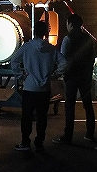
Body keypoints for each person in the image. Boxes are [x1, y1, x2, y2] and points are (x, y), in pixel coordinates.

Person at [10, 20, 65, 152]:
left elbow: (14, 60)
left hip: (29, 88)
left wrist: (20, 75)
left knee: (27, 117)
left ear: (34, 32)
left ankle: (25, 142)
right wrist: (55, 75)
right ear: (46, 33)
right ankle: (39, 142)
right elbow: (64, 63)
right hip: (44, 89)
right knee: (42, 117)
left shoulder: (27, 47)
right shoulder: (51, 49)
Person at [53, 13, 97, 144]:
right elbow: (92, 57)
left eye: (67, 23)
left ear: (71, 24)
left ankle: (68, 135)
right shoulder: (87, 38)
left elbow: (63, 59)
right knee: (88, 105)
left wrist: (59, 73)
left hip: (72, 76)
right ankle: (90, 134)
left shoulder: (68, 39)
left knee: (70, 106)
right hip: (85, 76)